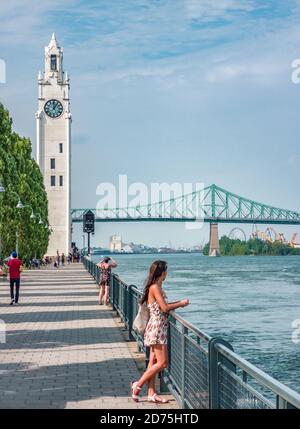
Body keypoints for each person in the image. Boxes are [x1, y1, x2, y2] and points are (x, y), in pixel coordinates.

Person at [131, 260, 189, 403]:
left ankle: (151, 393)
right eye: (166, 271)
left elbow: (163, 305)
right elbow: (164, 308)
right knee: (162, 363)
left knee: (153, 362)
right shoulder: (155, 287)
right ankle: (137, 385)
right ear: (162, 273)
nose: (167, 273)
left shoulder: (156, 287)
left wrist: (174, 304)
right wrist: (181, 304)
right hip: (157, 329)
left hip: (157, 327)